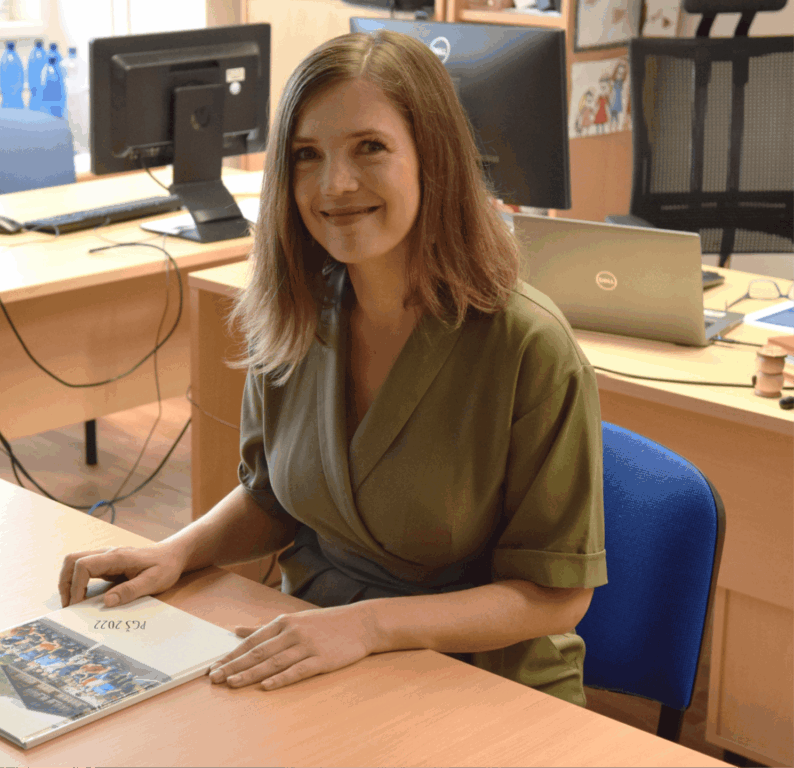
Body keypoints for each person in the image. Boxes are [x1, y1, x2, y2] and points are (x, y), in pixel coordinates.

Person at [59, 30, 607, 707]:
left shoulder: (530, 347)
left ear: (432, 158)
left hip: (483, 681)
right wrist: (178, 551)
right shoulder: (293, 310)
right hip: (322, 644)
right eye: (307, 155)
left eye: (369, 148)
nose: (335, 184)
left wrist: (370, 626)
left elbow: (556, 596)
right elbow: (271, 500)